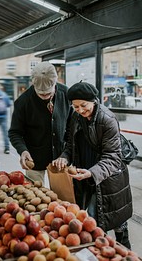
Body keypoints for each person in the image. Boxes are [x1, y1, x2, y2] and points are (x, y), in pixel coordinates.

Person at [52, 81, 132, 249]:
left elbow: (112, 157)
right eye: (75, 106)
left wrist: (91, 173)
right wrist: (64, 158)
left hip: (108, 179)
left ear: (94, 100)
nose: (80, 110)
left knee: (118, 225)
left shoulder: (107, 119)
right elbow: (70, 146)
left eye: (84, 105)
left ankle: (125, 251)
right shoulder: (75, 117)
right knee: (94, 225)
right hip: (86, 176)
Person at [9, 61, 72, 184]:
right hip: (34, 159)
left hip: (61, 158)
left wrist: (67, 154)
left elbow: (71, 128)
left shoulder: (66, 95)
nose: (44, 96)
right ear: (33, 83)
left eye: (48, 93)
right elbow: (15, 132)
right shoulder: (22, 102)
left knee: (63, 199)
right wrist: (23, 150)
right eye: (40, 94)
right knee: (35, 197)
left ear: (55, 82)